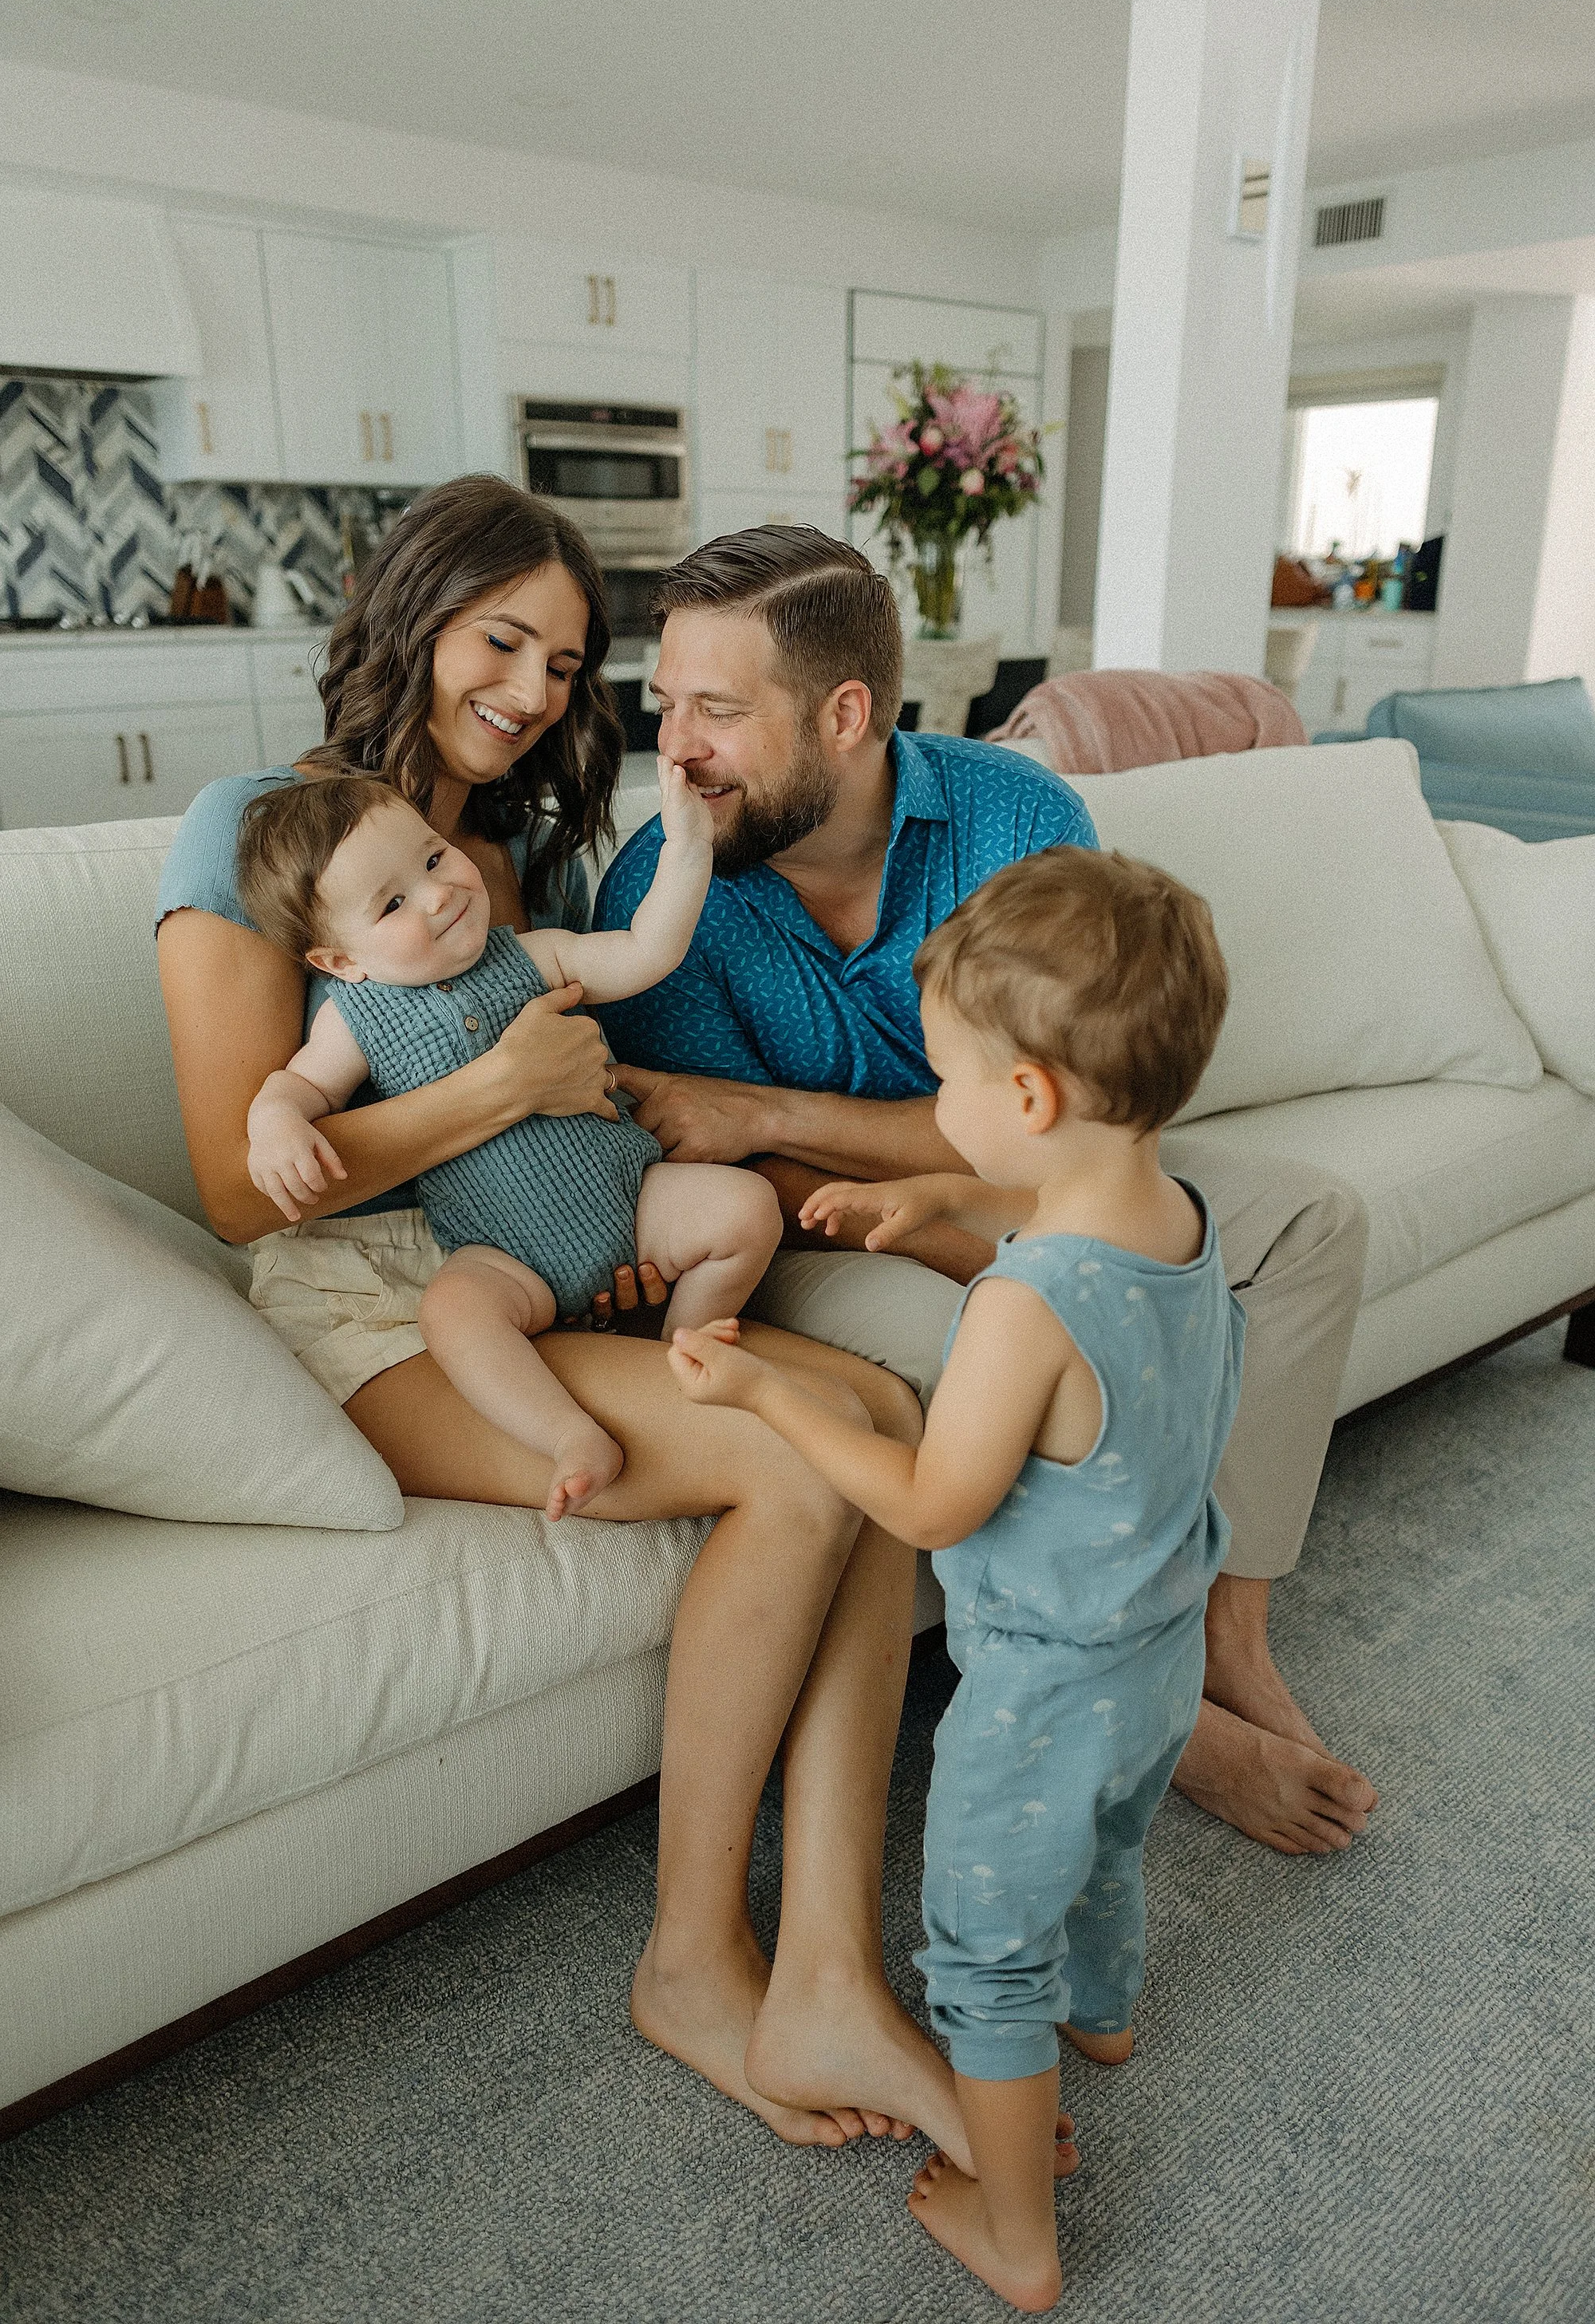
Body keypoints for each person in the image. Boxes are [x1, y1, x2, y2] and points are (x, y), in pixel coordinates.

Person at [155, 476, 1001, 2164]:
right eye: (502, 641)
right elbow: (247, 1189)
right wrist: (492, 1093)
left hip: (542, 1268)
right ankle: (695, 1961)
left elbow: (594, 1075)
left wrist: (602, 1185)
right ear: (413, 617)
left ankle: (828, 1960)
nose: (536, 692)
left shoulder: (526, 855)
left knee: (879, 1421)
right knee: (802, 1464)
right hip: (383, 1310)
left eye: (561, 661)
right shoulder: (265, 834)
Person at [594, 523, 1380, 1860]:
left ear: (844, 716)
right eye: (666, 703)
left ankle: (1221, 1643)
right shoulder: (661, 897)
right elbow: (734, 1167)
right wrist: (910, 1189)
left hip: (1046, 1173)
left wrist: (787, 1110)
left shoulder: (1018, 818)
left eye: (718, 710)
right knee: (991, 1345)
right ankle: (1149, 1717)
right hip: (835, 1227)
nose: (676, 747)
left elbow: (1070, 1101)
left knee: (1312, 1224)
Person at [669, 843, 1244, 2313]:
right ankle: (1102, 2017)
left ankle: (1017, 2233)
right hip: (1156, 1654)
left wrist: (774, 1406)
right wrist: (934, 1194)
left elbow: (928, 1506)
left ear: (1031, 1100)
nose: (941, 1107)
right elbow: (1047, 1207)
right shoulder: (1173, 1221)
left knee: (986, 1956)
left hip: (1042, 1693)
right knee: (1108, 1850)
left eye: (948, 1086)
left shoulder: (1022, 1310)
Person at [235, 763, 781, 1518]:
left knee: (747, 1207)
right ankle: (569, 1436)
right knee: (453, 1314)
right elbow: (300, 1087)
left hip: (632, 1201)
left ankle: (680, 1347)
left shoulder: (533, 953)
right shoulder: (355, 1018)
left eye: (433, 858)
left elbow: (647, 950)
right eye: (393, 902)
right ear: (341, 961)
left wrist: (689, 847)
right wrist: (274, 1121)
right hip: (503, 1256)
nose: (438, 893)